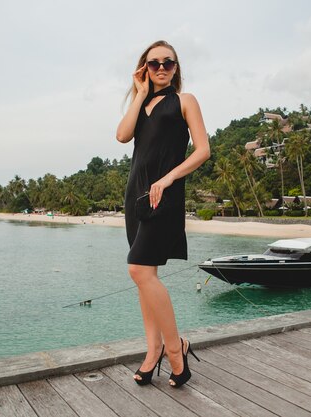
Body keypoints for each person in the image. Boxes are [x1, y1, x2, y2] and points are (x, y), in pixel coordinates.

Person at [116, 40, 210, 388]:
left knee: (139, 269)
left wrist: (169, 177)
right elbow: (122, 135)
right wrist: (139, 92)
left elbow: (203, 150)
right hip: (135, 197)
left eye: (167, 63)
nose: (160, 68)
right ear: (144, 67)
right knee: (145, 277)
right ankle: (153, 351)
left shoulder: (185, 101)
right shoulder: (141, 104)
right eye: (153, 63)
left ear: (176, 67)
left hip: (164, 196)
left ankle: (176, 352)